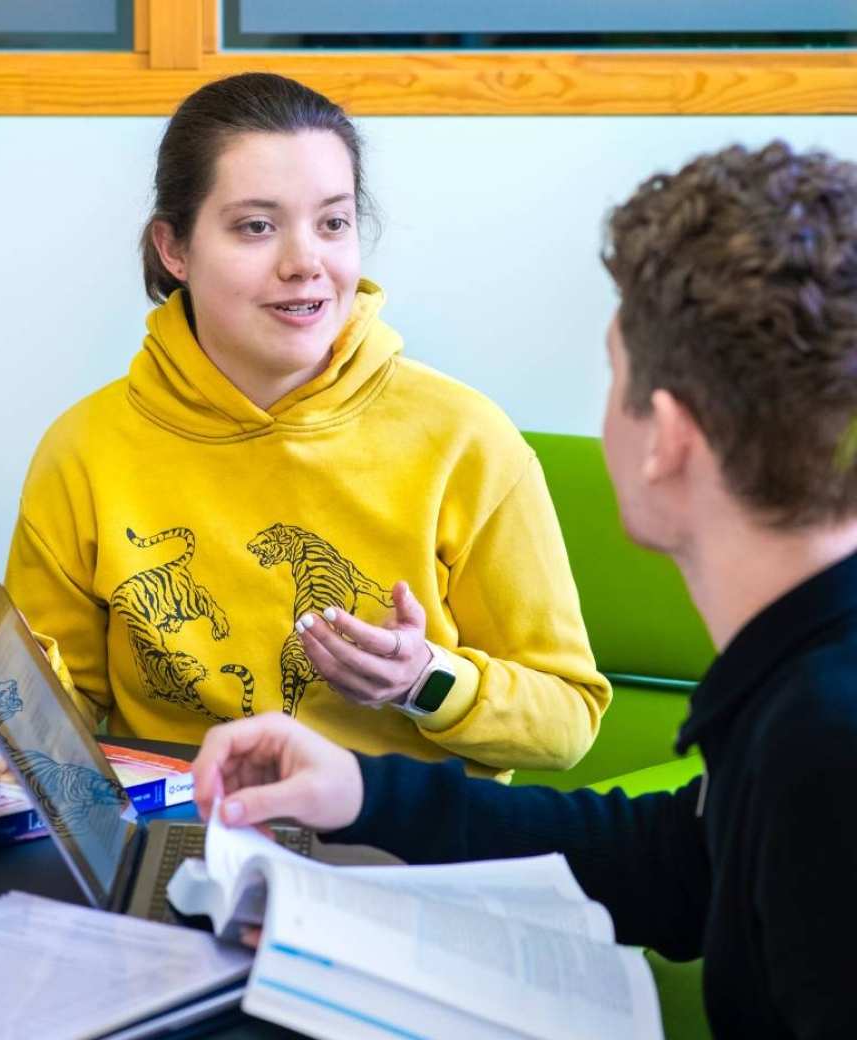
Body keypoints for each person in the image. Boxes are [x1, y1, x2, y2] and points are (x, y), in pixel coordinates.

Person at [189, 140, 857, 1038]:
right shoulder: (802, 689)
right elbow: (676, 863)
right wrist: (363, 793)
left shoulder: (829, 734)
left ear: (665, 439)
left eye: (614, 377)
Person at [0, 72, 609, 774]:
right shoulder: (84, 449)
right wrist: (0, 674)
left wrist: (422, 681)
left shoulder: (466, 439)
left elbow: (566, 723)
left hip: (398, 853)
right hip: (186, 845)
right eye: (257, 227)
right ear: (175, 249)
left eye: (333, 223)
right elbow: (63, 741)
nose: (305, 264)